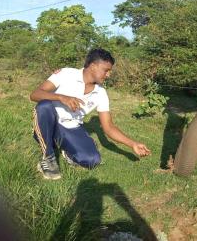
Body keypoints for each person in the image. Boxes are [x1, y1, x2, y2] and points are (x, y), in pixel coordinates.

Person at [30, 48, 151, 180]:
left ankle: (66, 150)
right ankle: (48, 157)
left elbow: (109, 127)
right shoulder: (65, 74)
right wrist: (61, 97)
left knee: (92, 160)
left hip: (71, 127)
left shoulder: (101, 93)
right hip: (50, 121)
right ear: (93, 66)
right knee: (44, 106)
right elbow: (35, 94)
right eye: (106, 70)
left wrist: (132, 144)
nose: (109, 75)